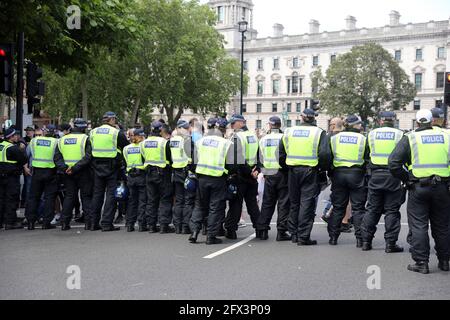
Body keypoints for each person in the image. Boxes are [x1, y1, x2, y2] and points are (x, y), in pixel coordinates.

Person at [389, 109, 450, 274]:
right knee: (443, 226)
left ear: (417, 122)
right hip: (443, 188)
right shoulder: (446, 136)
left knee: (418, 226)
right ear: (432, 121)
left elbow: (393, 163)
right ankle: (445, 261)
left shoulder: (410, 137)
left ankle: (421, 262)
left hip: (419, 187)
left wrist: (407, 179)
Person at [279, 109, 329, 245]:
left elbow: (281, 153)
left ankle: (294, 233)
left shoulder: (289, 131)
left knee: (294, 203)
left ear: (301, 117)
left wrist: (286, 167)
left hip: (292, 170)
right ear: (314, 118)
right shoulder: (319, 132)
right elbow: (324, 154)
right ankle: (303, 236)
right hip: (310, 171)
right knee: (307, 204)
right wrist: (322, 168)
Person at [360, 111, 405, 252]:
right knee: (392, 210)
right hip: (393, 176)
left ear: (380, 121)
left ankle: (366, 242)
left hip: (375, 175)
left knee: (372, 209)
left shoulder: (372, 134)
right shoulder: (400, 134)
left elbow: (365, 154)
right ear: (393, 120)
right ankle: (390, 244)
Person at [188, 118, 234, 245]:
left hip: (202, 178)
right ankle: (211, 236)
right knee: (215, 208)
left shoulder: (200, 141)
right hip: (218, 179)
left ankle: (194, 232)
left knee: (199, 206)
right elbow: (232, 165)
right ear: (224, 130)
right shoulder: (227, 143)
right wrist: (228, 174)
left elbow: (193, 161)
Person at [327, 115, 369, 247]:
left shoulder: (334, 138)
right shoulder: (363, 139)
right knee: (358, 208)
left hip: (339, 174)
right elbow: (368, 157)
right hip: (357, 174)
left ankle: (333, 237)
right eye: (359, 124)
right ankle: (359, 239)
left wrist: (330, 170)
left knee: (338, 207)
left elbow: (327, 155)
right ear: (355, 125)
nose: (361, 126)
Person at [89, 112, 129, 232]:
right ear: (111, 119)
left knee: (97, 195)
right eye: (115, 119)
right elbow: (126, 147)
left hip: (96, 166)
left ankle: (93, 223)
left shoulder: (93, 132)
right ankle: (106, 223)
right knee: (111, 195)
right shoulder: (116, 133)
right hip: (112, 167)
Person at [224, 114, 261, 240]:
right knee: (252, 204)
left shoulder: (237, 137)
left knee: (236, 204)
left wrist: (249, 171)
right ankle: (260, 229)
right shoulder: (253, 136)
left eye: (233, 123)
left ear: (241, 123)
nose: (232, 125)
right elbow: (259, 154)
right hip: (252, 175)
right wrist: (256, 169)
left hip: (241, 175)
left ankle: (231, 230)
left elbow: (237, 158)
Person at [256, 116, 291, 241]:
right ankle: (281, 232)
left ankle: (262, 230)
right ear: (280, 125)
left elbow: (259, 158)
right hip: (282, 173)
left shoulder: (263, 139)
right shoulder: (285, 138)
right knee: (283, 203)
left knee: (267, 203)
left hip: (269, 173)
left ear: (270, 126)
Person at [25, 124, 65, 230]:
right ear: (54, 132)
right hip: (51, 172)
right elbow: (58, 157)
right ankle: (46, 223)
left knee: (33, 198)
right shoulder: (56, 142)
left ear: (44, 131)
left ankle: (30, 223)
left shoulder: (34, 141)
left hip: (37, 172)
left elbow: (30, 155)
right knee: (49, 198)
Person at [57, 119, 93, 231]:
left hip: (68, 173)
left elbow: (57, 158)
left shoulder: (62, 140)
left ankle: (64, 223)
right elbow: (88, 156)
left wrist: (66, 168)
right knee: (86, 197)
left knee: (69, 197)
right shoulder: (85, 138)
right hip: (83, 171)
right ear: (84, 127)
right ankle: (88, 223)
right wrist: (75, 168)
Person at [141, 121, 174, 233]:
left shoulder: (144, 143)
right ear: (160, 130)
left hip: (149, 173)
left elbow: (143, 158)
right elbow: (170, 158)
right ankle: (164, 225)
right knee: (165, 199)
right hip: (162, 174)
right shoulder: (164, 142)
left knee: (151, 200)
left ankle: (151, 225)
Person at [0, 127, 29, 229]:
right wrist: (21, 148)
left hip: (1, 177)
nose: (17, 137)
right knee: (11, 200)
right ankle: (10, 223)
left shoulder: (1, 145)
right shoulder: (13, 148)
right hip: (11, 178)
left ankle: (1, 221)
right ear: (11, 137)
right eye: (16, 135)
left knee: (1, 199)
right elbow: (24, 159)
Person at [170, 119, 195, 234]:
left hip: (176, 171)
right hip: (186, 172)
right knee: (187, 200)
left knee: (179, 200)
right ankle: (185, 226)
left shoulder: (172, 140)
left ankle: (177, 226)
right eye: (185, 128)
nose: (188, 130)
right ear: (180, 129)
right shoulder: (186, 141)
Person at [122, 129, 147, 232]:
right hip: (141, 175)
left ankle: (129, 224)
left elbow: (125, 161)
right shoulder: (143, 148)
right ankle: (141, 224)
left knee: (132, 201)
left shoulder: (126, 148)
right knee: (142, 201)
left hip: (131, 177)